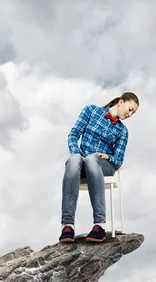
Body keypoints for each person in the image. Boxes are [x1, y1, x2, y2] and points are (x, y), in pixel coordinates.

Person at [59, 92, 139, 243]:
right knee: (73, 159)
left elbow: (119, 160)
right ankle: (67, 226)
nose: (130, 114)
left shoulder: (123, 131)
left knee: (92, 159)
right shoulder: (90, 111)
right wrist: (77, 153)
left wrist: (107, 157)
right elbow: (73, 135)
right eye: (130, 109)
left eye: (133, 113)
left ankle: (99, 226)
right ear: (121, 102)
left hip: (104, 166)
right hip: (82, 164)